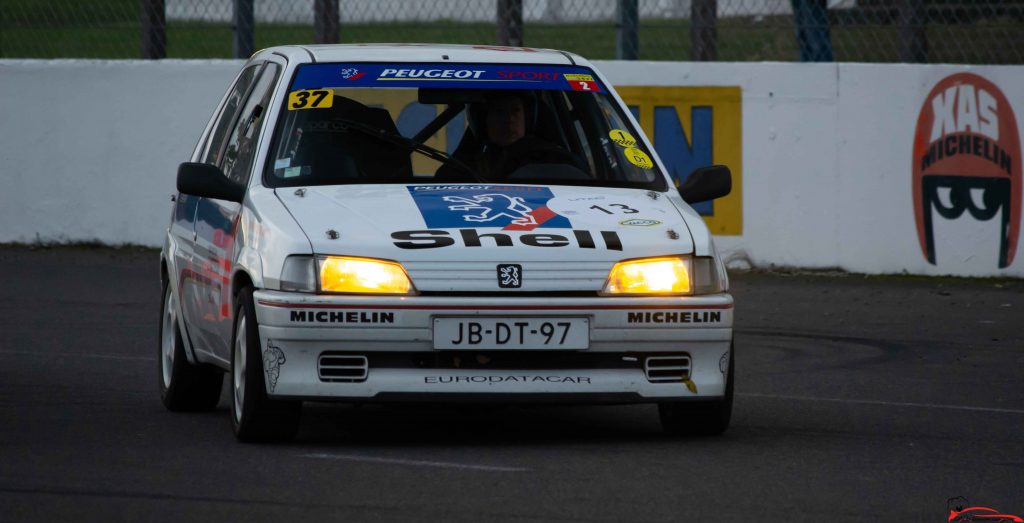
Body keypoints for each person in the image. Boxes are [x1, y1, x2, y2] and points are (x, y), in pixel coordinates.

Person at [437, 92, 583, 181]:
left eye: (516, 110)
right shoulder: (466, 170)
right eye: (499, 112)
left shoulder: (554, 158)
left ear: (528, 117)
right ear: (482, 120)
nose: (509, 119)